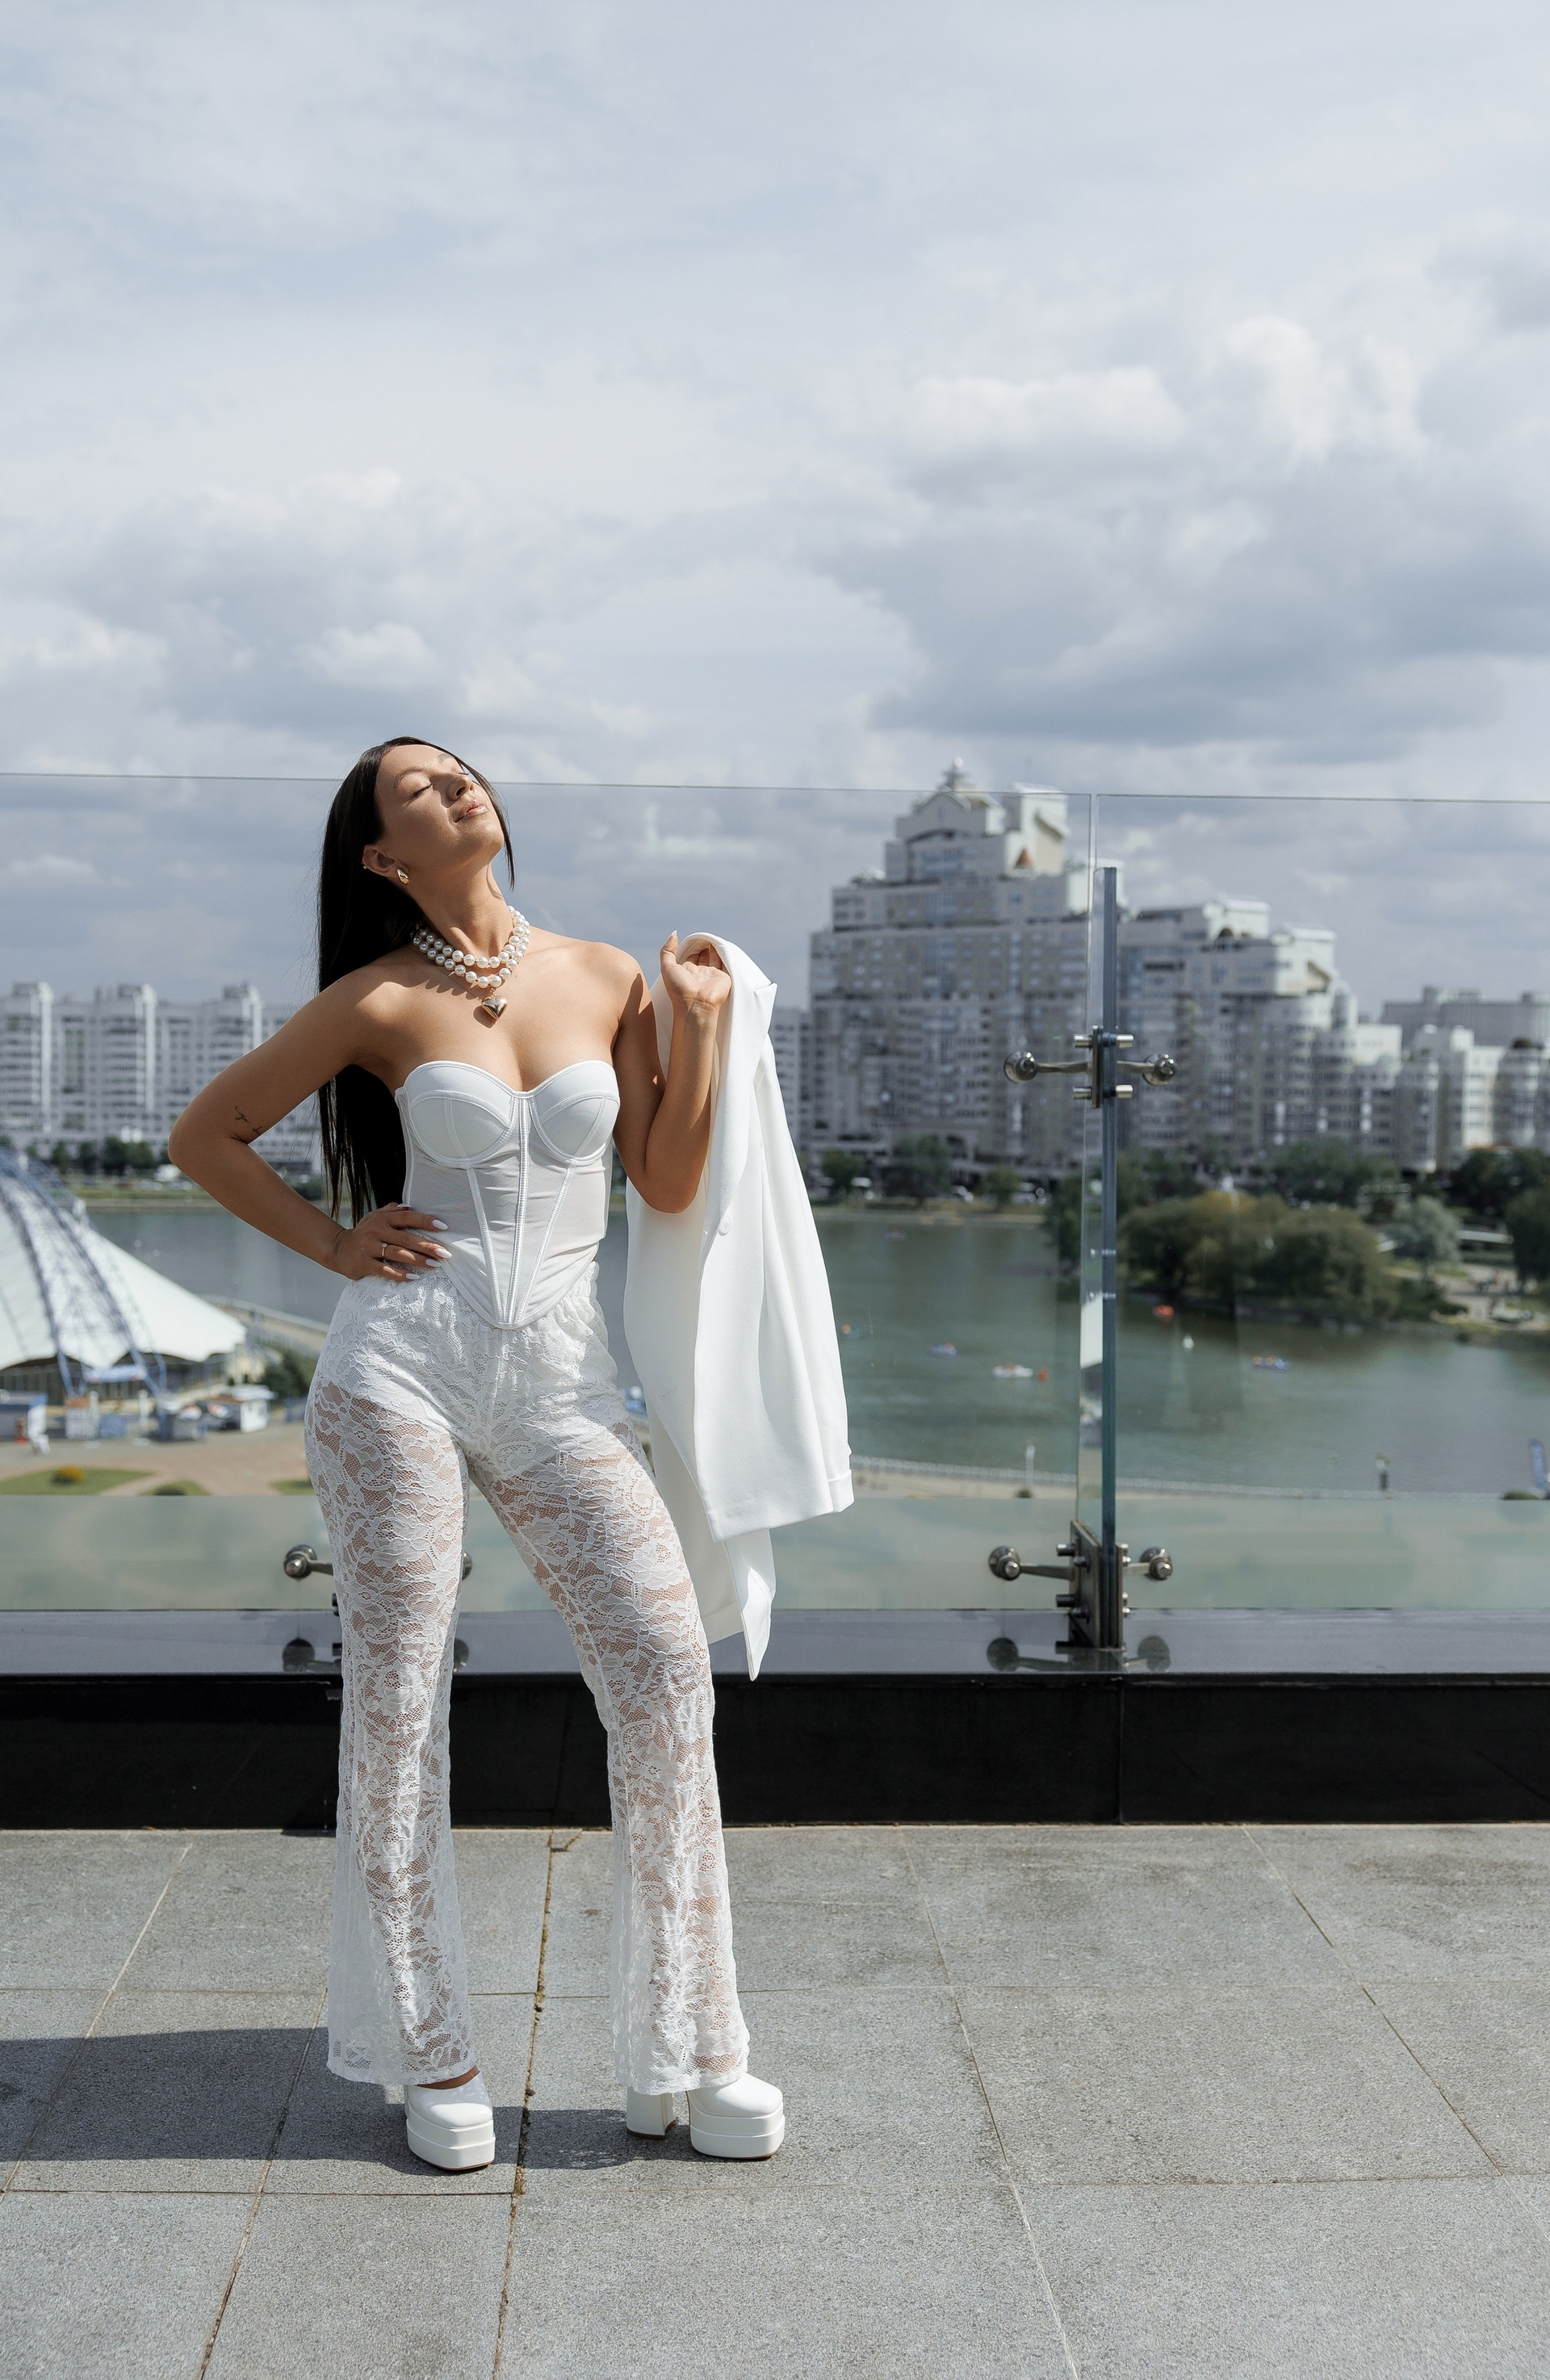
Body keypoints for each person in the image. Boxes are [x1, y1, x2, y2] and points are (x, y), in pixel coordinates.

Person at [169, 737, 782, 2171]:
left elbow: (667, 1176)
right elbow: (211, 1135)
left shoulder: (608, 975)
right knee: (398, 1700)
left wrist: (698, 1027)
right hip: (399, 1370)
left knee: (665, 1669)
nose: (459, 791)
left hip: (563, 1386)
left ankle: (692, 2049)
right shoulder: (378, 997)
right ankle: (430, 2049)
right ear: (383, 857)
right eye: (418, 792)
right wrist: (337, 1244)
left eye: (462, 774)